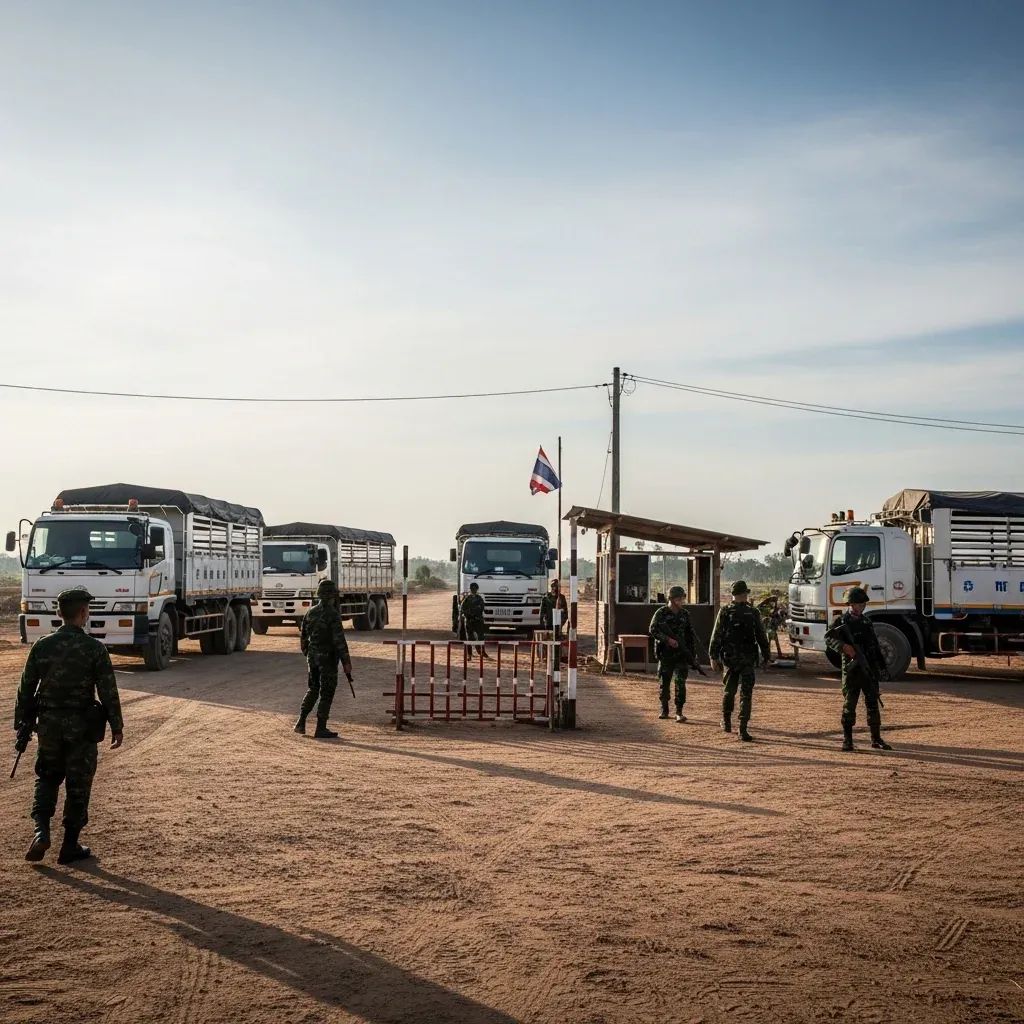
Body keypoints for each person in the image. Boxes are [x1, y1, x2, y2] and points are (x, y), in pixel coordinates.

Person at [15, 587, 124, 864]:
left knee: (47, 777)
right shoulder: (94, 649)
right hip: (81, 727)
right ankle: (70, 846)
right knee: (78, 784)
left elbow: (26, 687)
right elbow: (107, 690)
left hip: (49, 725)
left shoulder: (42, 645)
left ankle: (41, 832)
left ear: (58, 613)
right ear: (84, 612)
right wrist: (116, 725)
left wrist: (23, 722)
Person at [825, 587, 892, 752]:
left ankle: (876, 739)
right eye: (858, 604)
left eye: (863, 604)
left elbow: (875, 646)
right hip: (852, 670)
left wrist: (881, 668)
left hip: (868, 668)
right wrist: (844, 646)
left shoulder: (866, 622)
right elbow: (828, 638)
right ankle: (847, 740)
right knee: (850, 705)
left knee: (872, 703)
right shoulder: (841, 621)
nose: (861, 607)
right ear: (851, 604)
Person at [710, 581, 771, 742]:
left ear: (733, 594)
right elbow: (761, 636)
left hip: (730, 659)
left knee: (729, 691)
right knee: (746, 694)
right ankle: (743, 728)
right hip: (748, 659)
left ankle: (727, 721)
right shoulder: (753, 612)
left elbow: (717, 635)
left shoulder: (725, 611)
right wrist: (766, 656)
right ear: (745, 594)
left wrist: (713, 656)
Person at [294, 579, 352, 739]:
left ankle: (301, 721)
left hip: (313, 658)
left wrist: (308, 653)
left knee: (313, 688)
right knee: (327, 691)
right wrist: (346, 662)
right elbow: (339, 640)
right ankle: (321, 728)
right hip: (327, 660)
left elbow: (303, 636)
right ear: (332, 596)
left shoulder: (310, 612)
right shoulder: (332, 614)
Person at [649, 585, 698, 722]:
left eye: (682, 598)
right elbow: (653, 630)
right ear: (670, 598)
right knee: (664, 683)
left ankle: (679, 712)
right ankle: (664, 709)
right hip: (666, 655)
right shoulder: (661, 613)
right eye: (678, 598)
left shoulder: (685, 614)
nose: (681, 601)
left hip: (681, 655)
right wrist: (667, 639)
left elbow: (690, 636)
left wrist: (692, 655)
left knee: (680, 683)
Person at [459, 582, 489, 659]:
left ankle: (482, 652)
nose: (473, 590)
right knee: (469, 638)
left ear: (476, 589)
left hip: (478, 620)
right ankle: (469, 654)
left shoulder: (479, 598)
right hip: (469, 621)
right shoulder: (466, 599)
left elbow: (481, 608)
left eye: (474, 589)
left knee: (481, 637)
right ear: (470, 589)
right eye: (472, 589)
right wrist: (469, 614)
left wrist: (472, 612)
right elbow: (462, 609)